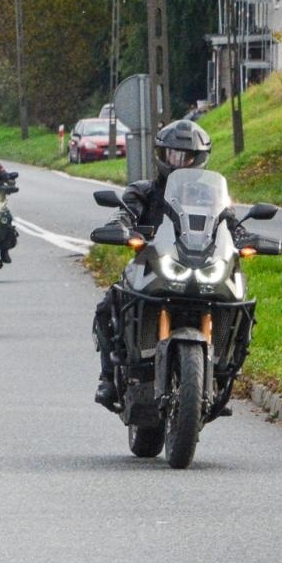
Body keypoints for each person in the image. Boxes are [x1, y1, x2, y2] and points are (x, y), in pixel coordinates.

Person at [92, 119, 213, 408]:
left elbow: (228, 223)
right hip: (151, 268)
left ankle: (225, 365)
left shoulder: (209, 196)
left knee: (237, 300)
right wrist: (122, 228)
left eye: (186, 156)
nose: (179, 161)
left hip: (198, 266)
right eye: (173, 154)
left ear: (199, 159)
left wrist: (244, 238)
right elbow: (124, 215)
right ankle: (109, 377)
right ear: (161, 155)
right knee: (109, 305)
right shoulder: (143, 191)